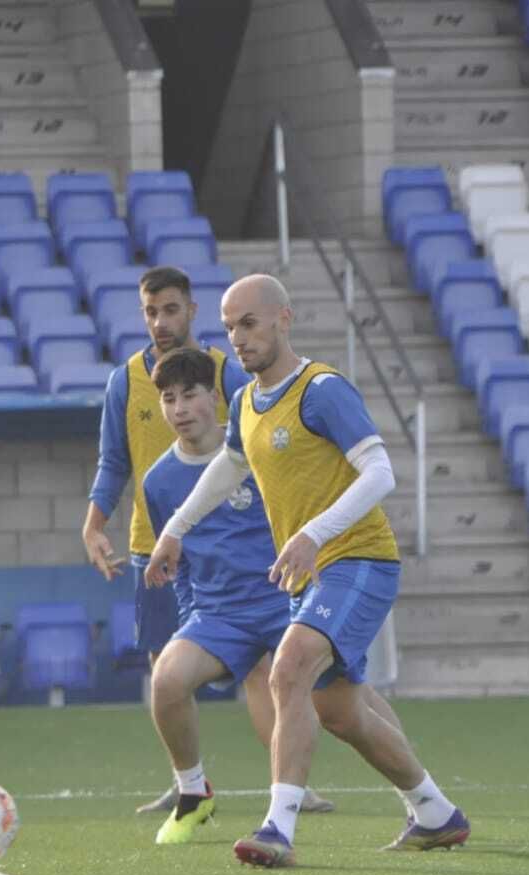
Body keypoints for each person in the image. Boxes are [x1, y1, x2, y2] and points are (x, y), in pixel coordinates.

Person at [146, 275, 469, 867]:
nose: (238, 338)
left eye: (249, 323)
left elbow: (381, 473)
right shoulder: (244, 400)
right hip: (312, 574)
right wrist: (174, 530)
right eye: (229, 327)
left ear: (283, 320)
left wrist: (312, 533)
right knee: (343, 714)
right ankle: (435, 812)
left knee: (286, 668)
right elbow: (229, 467)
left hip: (359, 560)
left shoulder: (321, 389)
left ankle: (278, 828)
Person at [80, 266, 331, 816]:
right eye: (150, 312)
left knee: (266, 674)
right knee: (165, 670)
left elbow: (258, 447)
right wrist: (94, 523)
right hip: (160, 546)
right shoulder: (125, 381)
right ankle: (187, 782)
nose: (160, 321)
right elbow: (113, 459)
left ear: (192, 311)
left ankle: (288, 780)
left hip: (248, 559)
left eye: (171, 310)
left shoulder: (230, 373)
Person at [141, 348, 411, 845]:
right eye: (168, 399)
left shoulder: (264, 447)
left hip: (283, 596)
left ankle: (407, 798)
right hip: (218, 615)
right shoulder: (159, 480)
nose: (179, 408)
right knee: (166, 679)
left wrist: (315, 547)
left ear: (214, 398)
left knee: (343, 698)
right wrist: (187, 616)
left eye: (190, 395)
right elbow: (172, 563)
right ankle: (194, 792)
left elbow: (336, 491)